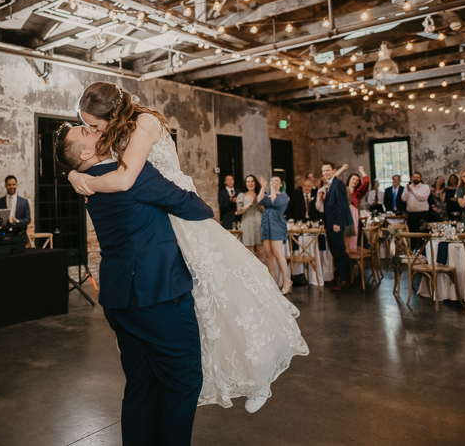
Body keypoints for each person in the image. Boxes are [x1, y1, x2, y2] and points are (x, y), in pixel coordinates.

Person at [67, 82, 308, 414]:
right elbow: (96, 160)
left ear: (111, 113)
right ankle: (233, 374)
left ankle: (260, 373)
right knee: (203, 306)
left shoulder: (143, 123)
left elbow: (124, 180)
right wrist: (71, 173)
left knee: (228, 292)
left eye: (94, 124)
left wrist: (83, 181)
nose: (94, 130)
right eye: (88, 127)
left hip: (178, 208)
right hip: (163, 213)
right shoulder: (117, 130)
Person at [55, 123, 213, 445]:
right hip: (158, 294)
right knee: (183, 381)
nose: (92, 128)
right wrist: (202, 202)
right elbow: (190, 205)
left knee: (142, 385)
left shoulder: (88, 184)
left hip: (119, 299)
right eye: (85, 132)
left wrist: (72, 174)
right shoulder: (129, 172)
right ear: (86, 153)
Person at [315, 162, 353, 291]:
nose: (325, 173)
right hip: (330, 223)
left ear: (334, 170)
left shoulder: (338, 183)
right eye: (323, 171)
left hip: (336, 223)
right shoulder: (330, 184)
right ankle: (338, 277)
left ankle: (344, 280)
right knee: (335, 251)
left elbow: (342, 205)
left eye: (327, 170)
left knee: (340, 251)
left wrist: (338, 223)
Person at [259, 176, 292, 294]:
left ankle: (287, 280)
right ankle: (273, 280)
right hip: (266, 224)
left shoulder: (283, 195)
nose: (273, 182)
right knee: (268, 253)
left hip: (277, 224)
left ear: (281, 183)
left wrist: (273, 189)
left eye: (276, 181)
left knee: (277, 252)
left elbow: (274, 202)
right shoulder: (268, 194)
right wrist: (263, 188)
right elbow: (259, 200)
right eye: (272, 180)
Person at [236, 175, 265, 262]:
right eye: (248, 182)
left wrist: (257, 204)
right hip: (247, 225)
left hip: (259, 224)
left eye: (252, 181)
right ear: (245, 183)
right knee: (249, 251)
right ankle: (252, 274)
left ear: (255, 183)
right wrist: (250, 204)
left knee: (260, 252)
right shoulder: (242, 195)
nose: (250, 183)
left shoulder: (261, 194)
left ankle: (261, 274)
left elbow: (265, 210)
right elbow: (239, 211)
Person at [346, 166, 370, 253]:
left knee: (352, 236)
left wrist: (361, 170)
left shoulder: (358, 193)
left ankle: (352, 259)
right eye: (353, 179)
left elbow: (366, 181)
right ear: (349, 180)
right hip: (343, 214)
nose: (355, 181)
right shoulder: (343, 190)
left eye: (357, 180)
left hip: (353, 215)